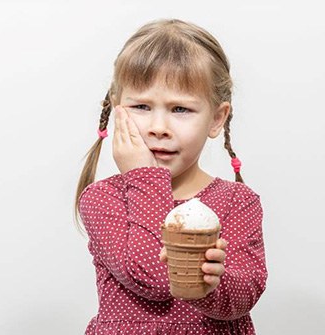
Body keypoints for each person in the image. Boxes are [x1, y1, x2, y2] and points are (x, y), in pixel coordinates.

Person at [74, 18, 267, 335]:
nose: (158, 127)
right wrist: (145, 176)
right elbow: (154, 278)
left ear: (217, 119)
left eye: (180, 109)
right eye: (140, 106)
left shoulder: (238, 202)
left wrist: (213, 284)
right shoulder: (103, 199)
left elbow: (247, 292)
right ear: (117, 108)